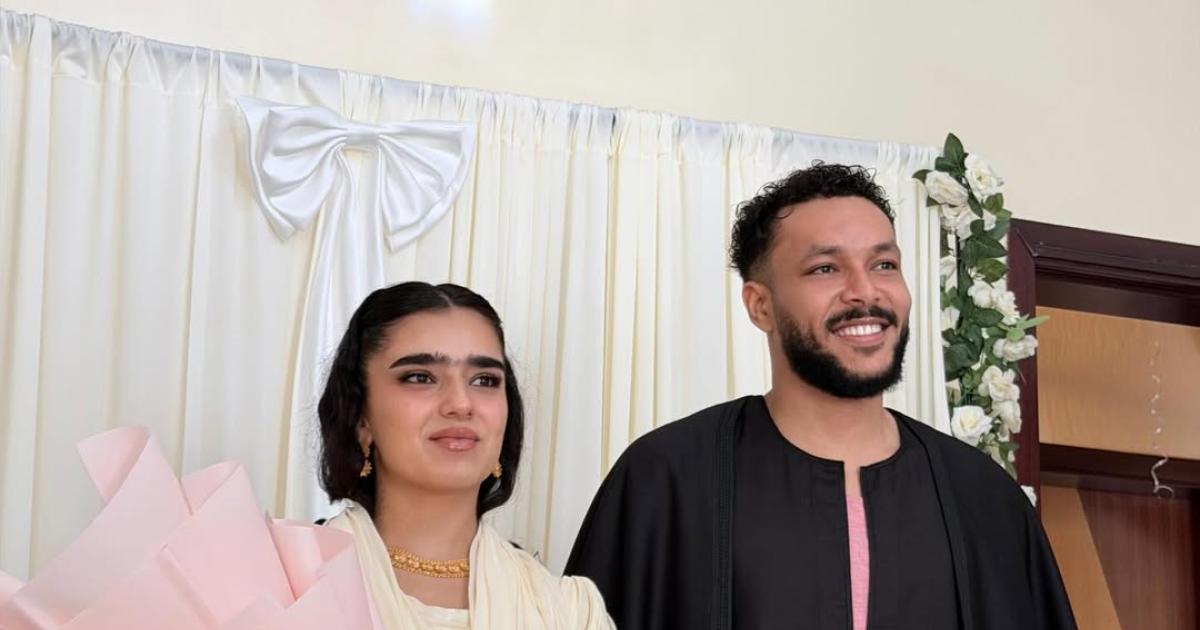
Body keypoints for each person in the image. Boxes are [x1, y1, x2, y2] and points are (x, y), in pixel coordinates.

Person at [565, 164, 1076, 630]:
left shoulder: (984, 500)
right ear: (760, 306)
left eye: (884, 264)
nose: (865, 292)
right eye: (825, 269)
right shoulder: (665, 482)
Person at [319, 281, 614, 629]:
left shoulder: (568, 613)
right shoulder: (294, 581)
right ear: (360, 417)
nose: (461, 404)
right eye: (420, 377)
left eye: (484, 380)